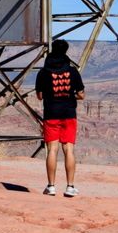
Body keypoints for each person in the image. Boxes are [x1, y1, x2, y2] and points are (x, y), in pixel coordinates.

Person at [35, 39, 84, 197]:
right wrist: (72, 95)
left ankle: (51, 186)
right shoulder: (73, 71)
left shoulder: (43, 72)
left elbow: (40, 96)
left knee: (52, 150)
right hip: (69, 113)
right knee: (68, 149)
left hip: (51, 114)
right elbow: (81, 94)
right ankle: (70, 187)